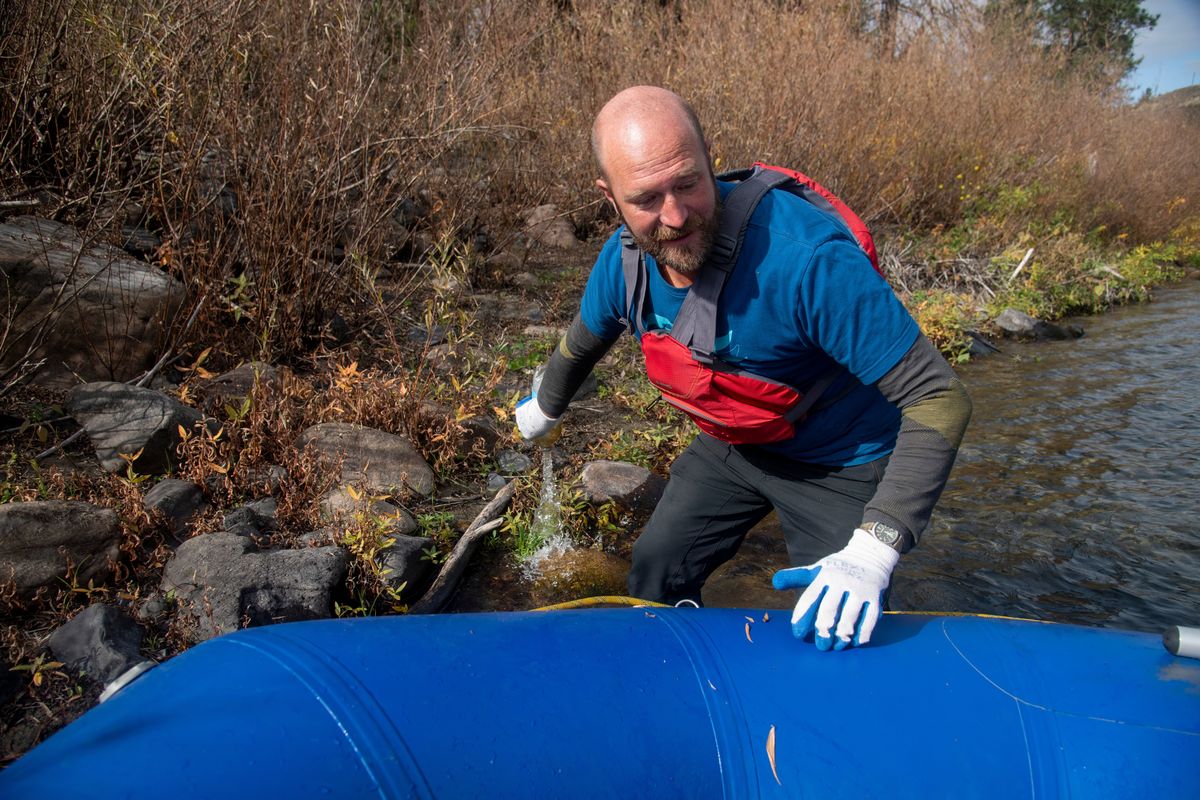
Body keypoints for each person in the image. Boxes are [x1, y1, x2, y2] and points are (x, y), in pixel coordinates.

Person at [517, 85, 971, 651]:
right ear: (610, 200)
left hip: (842, 460)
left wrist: (875, 547)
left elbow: (939, 396)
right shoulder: (623, 262)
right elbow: (581, 343)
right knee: (654, 573)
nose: (675, 216)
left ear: (710, 158)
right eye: (647, 199)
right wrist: (545, 406)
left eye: (687, 183)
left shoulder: (808, 261)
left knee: (832, 632)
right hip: (735, 444)